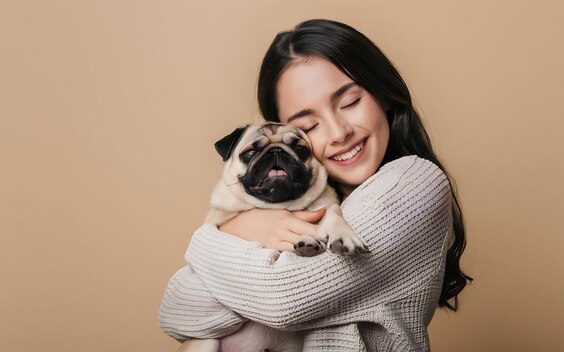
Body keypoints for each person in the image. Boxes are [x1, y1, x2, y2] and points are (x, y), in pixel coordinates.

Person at [159, 18, 472, 351]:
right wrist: (243, 228)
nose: (339, 133)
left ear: (383, 94)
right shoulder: (296, 208)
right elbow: (177, 312)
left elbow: (284, 300)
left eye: (350, 103)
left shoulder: (414, 183)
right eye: (309, 125)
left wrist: (214, 237)